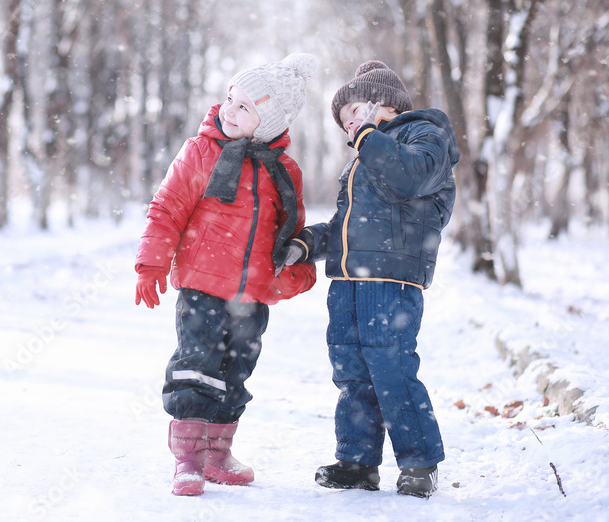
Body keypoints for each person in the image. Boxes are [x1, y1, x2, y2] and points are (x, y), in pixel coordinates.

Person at [134, 53, 318, 496]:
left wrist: (294, 273)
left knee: (237, 370)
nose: (228, 111)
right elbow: (168, 207)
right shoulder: (202, 152)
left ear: (268, 123)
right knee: (196, 366)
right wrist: (152, 261)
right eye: (230, 99)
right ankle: (188, 460)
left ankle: (217, 454)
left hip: (252, 295)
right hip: (201, 286)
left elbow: (289, 231)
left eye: (244, 107)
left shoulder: (283, 170)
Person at [277, 60, 460, 499]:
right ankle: (357, 461)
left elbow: (410, 177)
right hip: (348, 282)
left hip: (392, 279)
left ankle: (419, 463)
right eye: (345, 122)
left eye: (355, 112)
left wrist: (367, 138)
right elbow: (347, 225)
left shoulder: (425, 134)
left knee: (391, 367)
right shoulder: (363, 159)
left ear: (385, 104)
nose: (350, 125)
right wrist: (307, 242)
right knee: (352, 373)